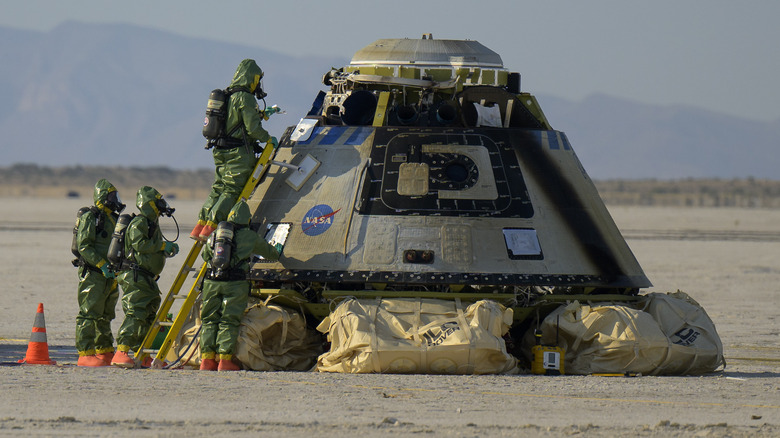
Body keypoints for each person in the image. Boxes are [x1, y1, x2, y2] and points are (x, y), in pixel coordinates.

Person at [191, 58, 278, 241]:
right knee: (232, 190)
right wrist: (269, 140)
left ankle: (200, 225)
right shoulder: (245, 97)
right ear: (252, 78)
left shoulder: (228, 96)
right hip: (238, 155)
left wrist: (263, 114)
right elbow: (252, 129)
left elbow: (236, 123)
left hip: (221, 151)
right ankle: (210, 228)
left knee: (218, 188)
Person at [199, 200, 279, 371]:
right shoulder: (248, 236)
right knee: (229, 320)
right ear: (247, 219)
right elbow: (270, 253)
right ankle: (224, 360)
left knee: (209, 319)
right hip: (234, 284)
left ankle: (206, 360)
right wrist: (276, 249)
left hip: (211, 282)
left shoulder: (216, 234)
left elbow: (205, 255)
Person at [112, 186, 179, 368]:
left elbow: (149, 249)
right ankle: (122, 351)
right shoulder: (139, 223)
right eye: (157, 202)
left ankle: (143, 353)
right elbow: (139, 244)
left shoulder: (151, 224)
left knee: (149, 314)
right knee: (137, 311)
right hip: (135, 275)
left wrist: (165, 250)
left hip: (147, 277)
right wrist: (161, 246)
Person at [74, 179, 125, 367]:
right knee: (89, 312)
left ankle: (104, 350)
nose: (114, 200)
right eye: (111, 196)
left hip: (110, 276)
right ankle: (85, 353)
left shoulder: (112, 218)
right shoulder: (91, 217)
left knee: (105, 314)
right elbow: (84, 246)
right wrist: (102, 264)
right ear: (102, 197)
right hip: (94, 274)